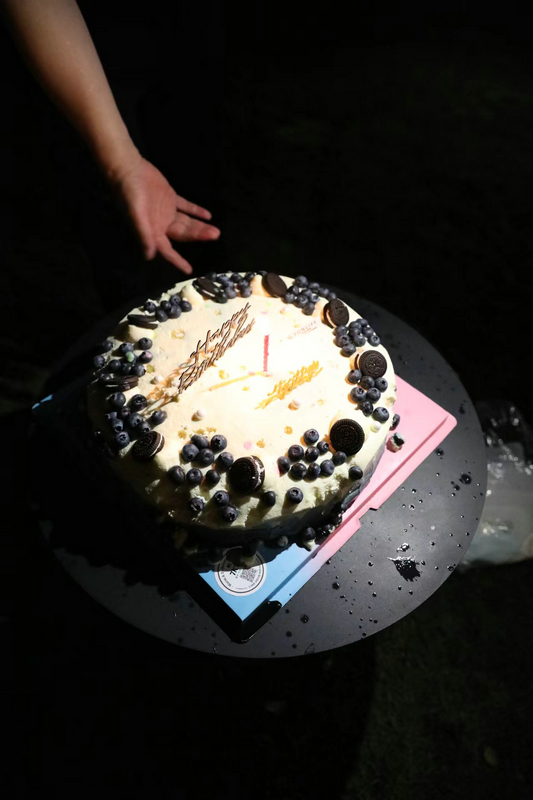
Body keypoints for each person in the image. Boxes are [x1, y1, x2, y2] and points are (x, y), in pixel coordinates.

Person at [1, 0, 224, 294]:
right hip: (89, 50)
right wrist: (123, 164)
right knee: (122, 235)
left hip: (184, 40)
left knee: (199, 198)